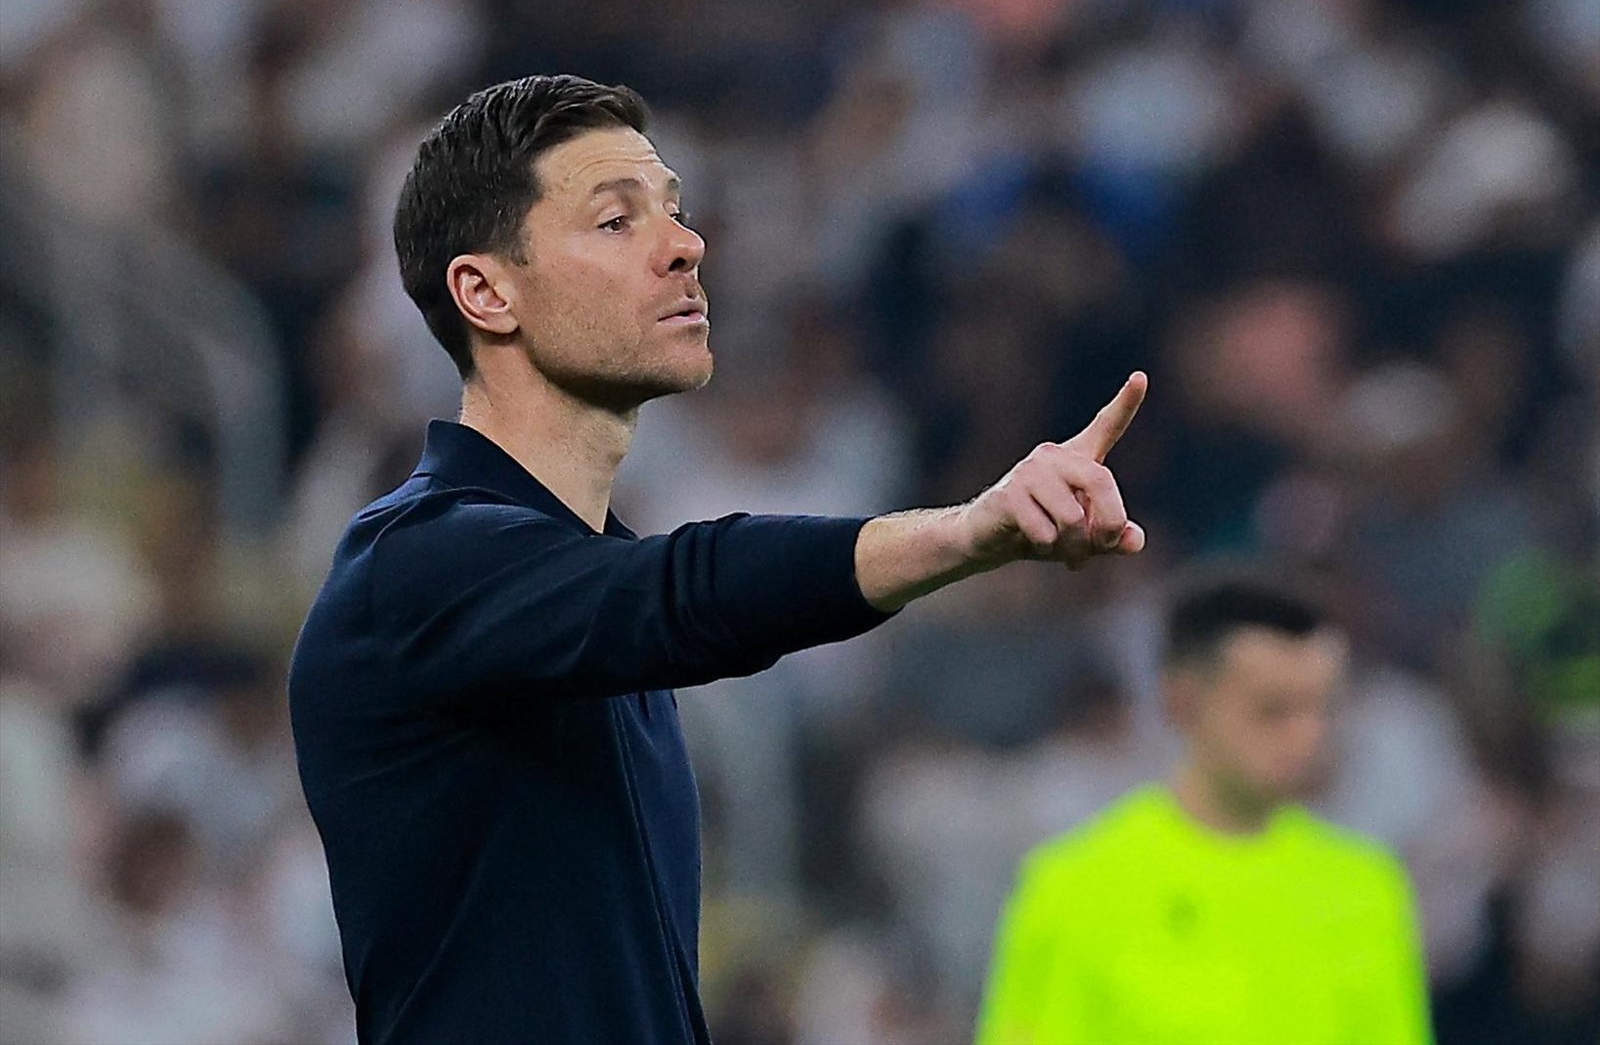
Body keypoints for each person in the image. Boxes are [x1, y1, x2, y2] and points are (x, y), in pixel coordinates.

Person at [288, 74, 1148, 1045]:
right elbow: (690, 589)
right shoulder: (413, 565)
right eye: (616, 220)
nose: (685, 245)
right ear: (487, 293)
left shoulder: (591, 596)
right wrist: (961, 534)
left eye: (676, 212)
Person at [977, 578, 1433, 1045]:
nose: (1307, 736)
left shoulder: (1366, 886)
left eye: (1321, 709)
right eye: (1273, 710)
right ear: (1183, 702)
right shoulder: (1074, 887)